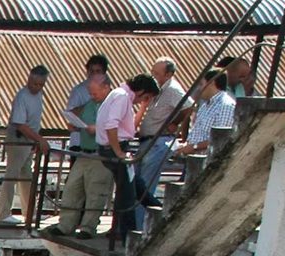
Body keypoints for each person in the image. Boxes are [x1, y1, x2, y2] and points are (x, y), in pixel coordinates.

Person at [44, 72, 113, 238]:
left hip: (101, 155)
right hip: (84, 152)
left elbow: (119, 129)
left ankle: (88, 227)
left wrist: (96, 129)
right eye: (90, 93)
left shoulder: (114, 105)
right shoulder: (91, 103)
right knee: (72, 189)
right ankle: (65, 224)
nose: (92, 96)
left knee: (95, 193)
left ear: (106, 88)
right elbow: (78, 113)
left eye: (95, 93)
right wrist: (75, 123)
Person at [97, 73, 159, 246]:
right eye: (145, 97)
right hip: (115, 149)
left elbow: (129, 127)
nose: (143, 101)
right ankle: (127, 240)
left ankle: (163, 214)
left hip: (115, 148)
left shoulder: (120, 95)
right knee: (127, 196)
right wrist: (118, 152)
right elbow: (111, 125)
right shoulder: (122, 97)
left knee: (137, 189)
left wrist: (143, 106)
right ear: (140, 91)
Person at [133, 57, 193, 216]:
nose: (153, 75)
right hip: (147, 141)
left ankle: (138, 227)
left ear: (168, 75)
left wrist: (175, 123)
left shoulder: (173, 89)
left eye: (157, 73)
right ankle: (128, 225)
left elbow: (188, 106)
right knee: (135, 185)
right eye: (152, 72)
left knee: (144, 187)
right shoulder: (157, 89)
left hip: (158, 142)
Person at [0, 65, 49, 225]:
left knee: (26, 176)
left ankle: (29, 211)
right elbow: (19, 124)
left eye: (41, 85)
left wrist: (35, 139)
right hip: (18, 138)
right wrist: (39, 139)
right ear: (29, 80)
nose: (37, 87)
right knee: (12, 174)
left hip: (29, 139)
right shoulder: (22, 96)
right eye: (35, 84)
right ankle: (3, 213)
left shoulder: (39, 95)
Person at [174, 69, 236, 159]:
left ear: (211, 83)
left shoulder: (225, 106)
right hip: (195, 161)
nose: (199, 88)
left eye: (201, 84)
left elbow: (221, 139)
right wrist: (186, 146)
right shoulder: (205, 106)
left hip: (209, 164)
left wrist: (194, 147)